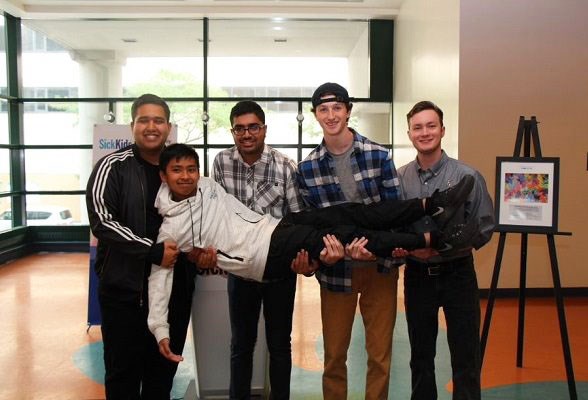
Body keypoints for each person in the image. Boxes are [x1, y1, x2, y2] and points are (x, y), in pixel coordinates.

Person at [147, 143, 475, 362]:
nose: (187, 176)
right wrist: (160, 329)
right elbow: (159, 280)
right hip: (262, 257)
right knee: (344, 235)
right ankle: (435, 239)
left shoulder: (206, 184)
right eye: (177, 170)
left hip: (273, 227)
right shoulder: (171, 231)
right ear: (164, 176)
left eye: (191, 168)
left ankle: (432, 204)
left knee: (350, 212)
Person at [295, 82, 402, 400]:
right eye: (323, 110)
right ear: (315, 115)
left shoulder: (378, 156)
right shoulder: (307, 168)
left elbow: (395, 213)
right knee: (334, 357)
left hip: (379, 269)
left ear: (348, 111)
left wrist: (376, 249)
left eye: (337, 108)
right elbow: (309, 226)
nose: (331, 115)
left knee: (380, 356)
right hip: (336, 272)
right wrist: (321, 257)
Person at [86, 93, 195, 399]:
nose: (151, 126)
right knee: (123, 377)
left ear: (168, 126)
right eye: (144, 120)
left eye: (158, 120)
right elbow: (102, 222)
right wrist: (152, 251)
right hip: (124, 293)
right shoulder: (112, 166)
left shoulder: (180, 169)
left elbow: (200, 220)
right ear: (132, 125)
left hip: (173, 294)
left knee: (162, 377)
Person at [398, 100, 495, 400]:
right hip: (418, 277)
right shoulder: (400, 179)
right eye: (418, 127)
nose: (424, 132)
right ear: (409, 133)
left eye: (430, 126)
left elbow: (485, 225)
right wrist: (411, 251)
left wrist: (451, 245)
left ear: (442, 130)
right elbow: (393, 227)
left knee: (466, 356)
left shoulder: (468, 176)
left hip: (458, 274)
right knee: (421, 356)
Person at [212, 100, 304, 400]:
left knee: (280, 345)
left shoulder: (285, 166)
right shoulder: (221, 163)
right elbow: (217, 213)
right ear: (233, 131)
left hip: (278, 271)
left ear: (264, 129)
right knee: (241, 344)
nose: (246, 134)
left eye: (253, 127)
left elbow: (296, 218)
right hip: (240, 270)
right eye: (239, 128)